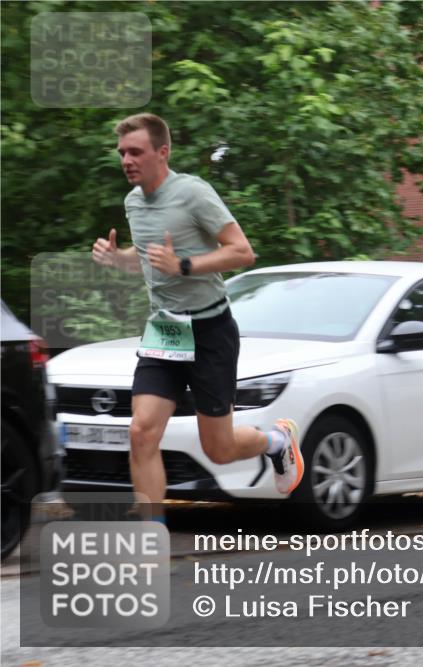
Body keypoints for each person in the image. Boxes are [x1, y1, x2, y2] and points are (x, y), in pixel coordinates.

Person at [92, 113, 303, 522]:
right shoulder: (133, 202)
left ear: (162, 152)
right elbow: (151, 260)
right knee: (141, 431)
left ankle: (278, 441)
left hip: (210, 329)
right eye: (122, 153)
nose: (126, 160)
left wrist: (184, 265)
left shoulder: (193, 193)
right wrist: (118, 260)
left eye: (136, 151)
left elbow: (242, 251)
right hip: (166, 328)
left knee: (219, 450)